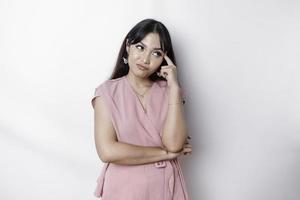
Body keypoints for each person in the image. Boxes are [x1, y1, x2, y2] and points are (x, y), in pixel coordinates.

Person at [91, 18, 192, 200]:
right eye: (140, 47)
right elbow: (107, 151)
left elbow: (174, 144)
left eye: (156, 53)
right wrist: (165, 154)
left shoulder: (170, 92)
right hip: (123, 189)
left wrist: (175, 89)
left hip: (165, 187)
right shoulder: (106, 92)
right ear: (128, 46)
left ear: (164, 58)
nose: (145, 59)